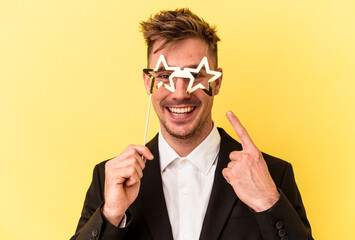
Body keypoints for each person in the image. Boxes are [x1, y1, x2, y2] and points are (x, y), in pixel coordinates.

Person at [71, 8, 313, 240]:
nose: (179, 93)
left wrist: (268, 202)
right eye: (165, 76)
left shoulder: (273, 175)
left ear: (216, 82)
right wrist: (110, 215)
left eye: (195, 75)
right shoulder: (109, 179)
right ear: (148, 82)